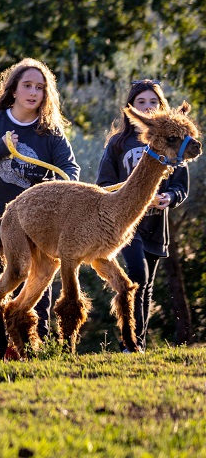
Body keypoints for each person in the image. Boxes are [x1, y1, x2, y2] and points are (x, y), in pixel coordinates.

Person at [0, 57, 79, 341]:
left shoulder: (50, 131)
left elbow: (70, 171)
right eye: (27, 85)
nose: (33, 92)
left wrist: (56, 188)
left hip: (40, 224)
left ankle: (42, 349)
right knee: (9, 282)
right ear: (13, 90)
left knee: (40, 287)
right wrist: (0, 149)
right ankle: (11, 348)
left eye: (40, 87)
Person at [95, 79, 190, 352]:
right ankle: (129, 342)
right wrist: (129, 196)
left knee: (146, 284)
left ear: (162, 106)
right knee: (137, 273)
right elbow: (103, 183)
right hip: (126, 226)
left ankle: (137, 344)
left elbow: (180, 187)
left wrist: (168, 198)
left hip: (155, 225)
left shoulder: (173, 142)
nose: (148, 108)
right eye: (141, 102)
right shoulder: (118, 143)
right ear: (131, 108)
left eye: (154, 102)